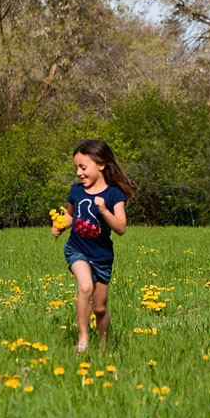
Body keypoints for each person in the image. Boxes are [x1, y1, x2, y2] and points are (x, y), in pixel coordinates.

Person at [51, 139, 135, 353]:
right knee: (85, 286)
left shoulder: (114, 195)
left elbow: (121, 228)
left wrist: (105, 211)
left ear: (100, 164)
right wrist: (60, 226)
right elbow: (71, 217)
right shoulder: (76, 192)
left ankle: (103, 344)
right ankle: (83, 336)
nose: (79, 172)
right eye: (76, 168)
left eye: (83, 167)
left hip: (102, 257)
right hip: (76, 250)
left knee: (99, 307)